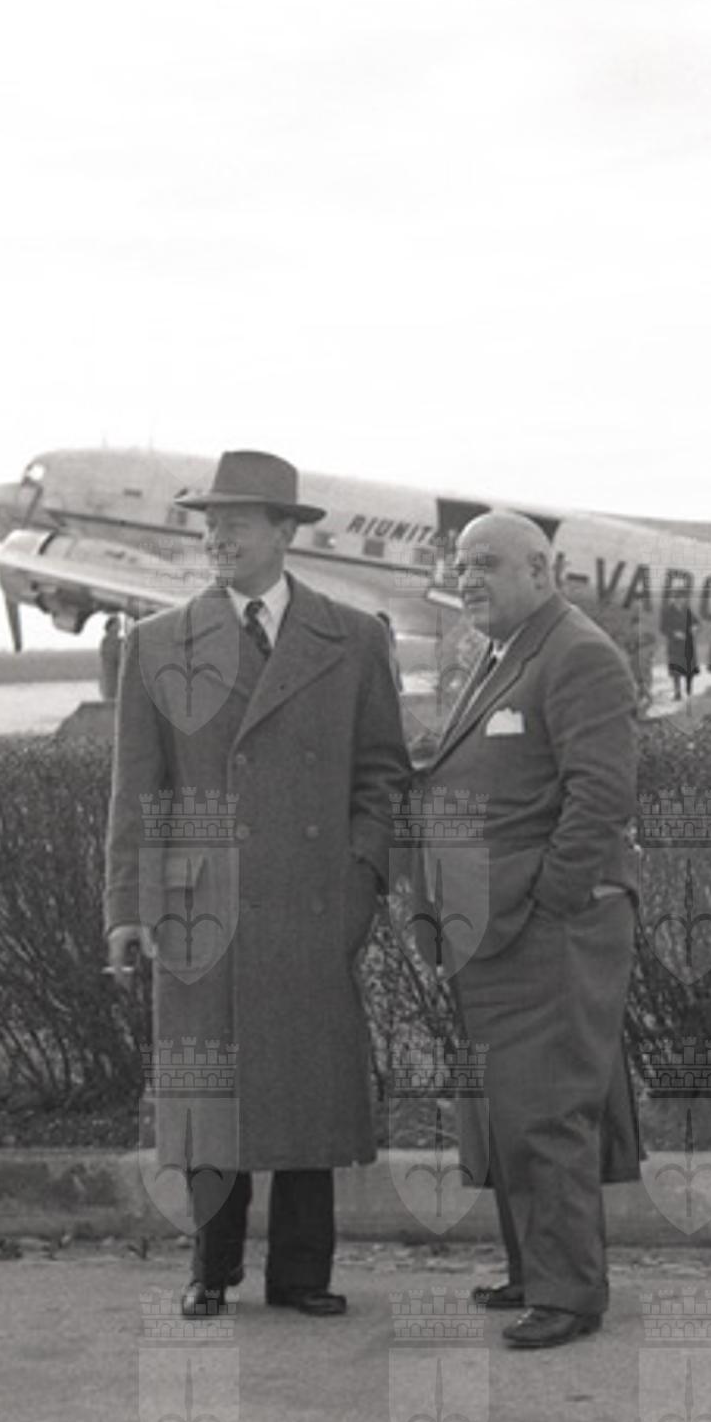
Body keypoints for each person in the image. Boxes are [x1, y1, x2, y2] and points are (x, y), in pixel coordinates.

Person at [104, 450, 410, 1319]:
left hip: (315, 897)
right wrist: (126, 909)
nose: (217, 536)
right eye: (209, 522)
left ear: (284, 533)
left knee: (307, 1086)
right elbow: (138, 788)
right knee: (209, 1093)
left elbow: (383, 774)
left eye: (236, 522)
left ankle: (304, 1276)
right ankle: (210, 1271)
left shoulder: (354, 637)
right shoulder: (157, 641)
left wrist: (359, 876)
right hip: (201, 906)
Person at [409, 512, 642, 1349]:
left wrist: (549, 899)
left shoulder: (576, 655)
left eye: (486, 563)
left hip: (545, 924)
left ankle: (568, 1293)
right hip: (494, 922)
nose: (466, 577)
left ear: (541, 570)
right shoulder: (506, 651)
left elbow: (600, 794)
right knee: (511, 1107)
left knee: (546, 1109)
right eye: (460, 564)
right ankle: (535, 1271)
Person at [662, 595, 698, 701]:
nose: (680, 601)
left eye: (681, 598)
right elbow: (663, 628)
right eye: (677, 598)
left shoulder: (687, 610)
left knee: (689, 668)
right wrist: (674, 633)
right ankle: (677, 692)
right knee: (676, 669)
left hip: (687, 644)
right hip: (675, 645)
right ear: (673, 599)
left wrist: (695, 628)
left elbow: (696, 622)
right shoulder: (668, 612)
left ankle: (689, 690)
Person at [98, 613, 123, 700]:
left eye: (119, 624)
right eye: (117, 624)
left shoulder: (120, 641)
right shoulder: (107, 641)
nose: (120, 626)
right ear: (110, 626)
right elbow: (115, 656)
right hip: (110, 677)